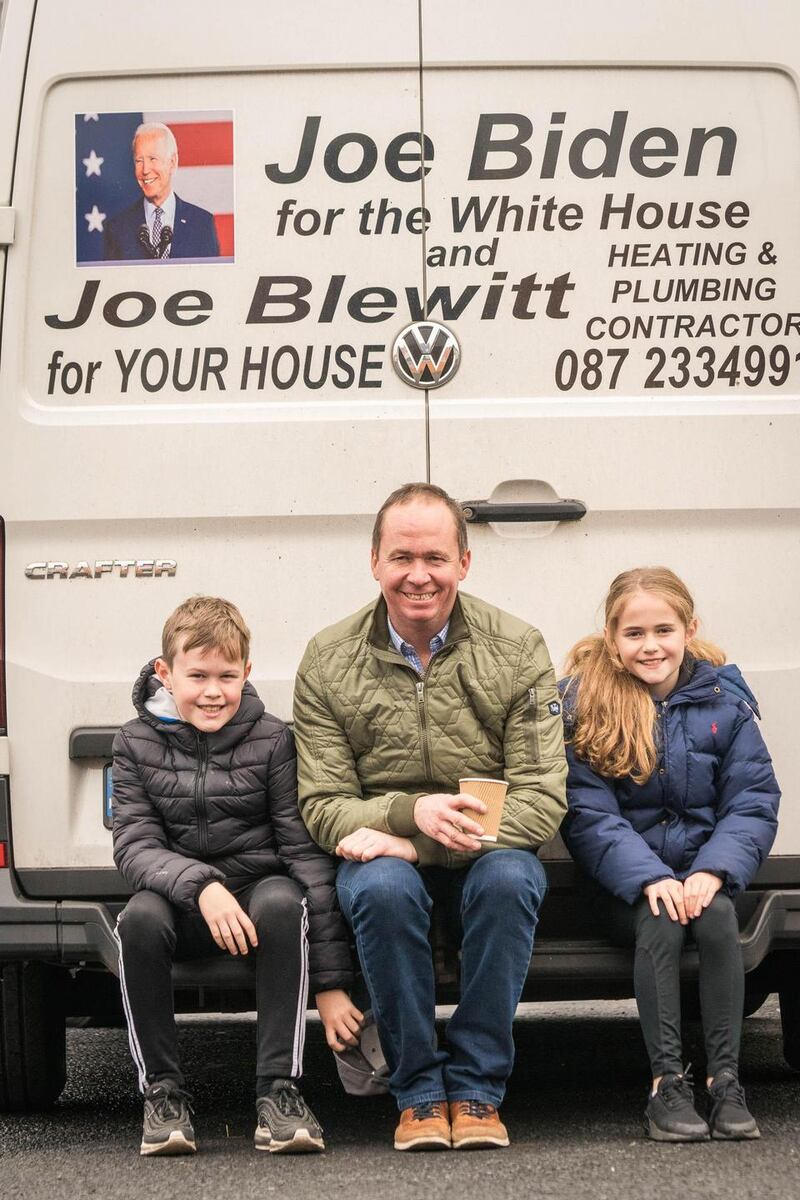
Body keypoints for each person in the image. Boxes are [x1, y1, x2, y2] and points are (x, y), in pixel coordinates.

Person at [293, 483, 567, 1152]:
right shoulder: (328, 659)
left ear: (464, 563)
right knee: (382, 889)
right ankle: (417, 1092)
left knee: (512, 880)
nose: (419, 575)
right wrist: (410, 813)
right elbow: (323, 804)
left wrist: (426, 846)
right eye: (402, 557)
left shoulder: (517, 648)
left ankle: (477, 1090)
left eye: (436, 558)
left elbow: (541, 797)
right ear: (374, 561)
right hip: (383, 850)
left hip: (488, 845)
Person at [112, 596, 360, 1156]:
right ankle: (162, 1093)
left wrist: (331, 984)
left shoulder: (272, 740)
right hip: (182, 903)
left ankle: (279, 1090)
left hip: (255, 901)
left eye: (227, 676)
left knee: (284, 900)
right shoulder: (133, 742)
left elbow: (304, 857)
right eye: (196, 676)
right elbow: (135, 846)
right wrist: (202, 886)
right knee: (138, 918)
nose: (213, 692)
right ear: (165, 673)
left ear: (247, 672)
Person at [560, 567, 779, 1142]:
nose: (650, 645)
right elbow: (588, 813)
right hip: (624, 887)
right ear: (612, 639)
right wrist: (649, 877)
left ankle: (725, 1080)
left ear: (689, 630)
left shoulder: (725, 705)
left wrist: (713, 869)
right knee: (659, 920)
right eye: (634, 633)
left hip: (702, 875)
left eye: (664, 630)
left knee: (719, 917)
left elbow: (752, 802)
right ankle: (666, 1084)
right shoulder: (589, 706)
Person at [104, 121, 220, 260]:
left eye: (153, 159)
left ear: (172, 162)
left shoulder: (202, 224)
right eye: (139, 161)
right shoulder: (117, 228)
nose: (145, 170)